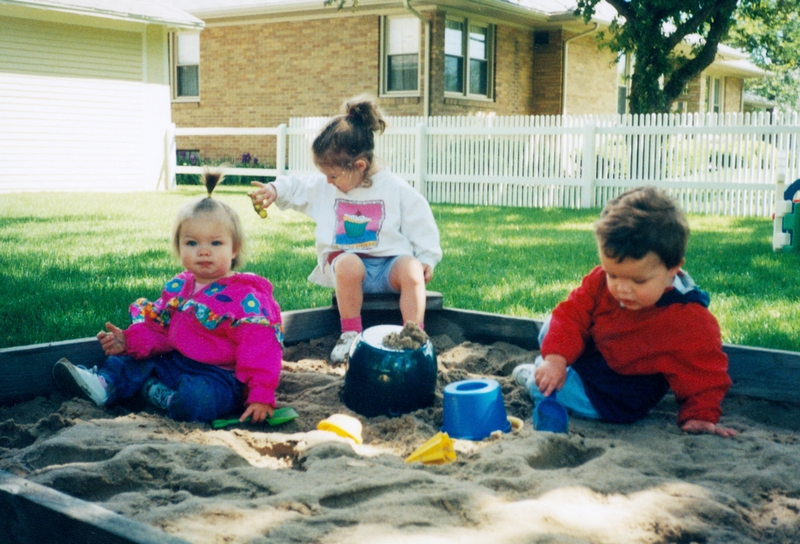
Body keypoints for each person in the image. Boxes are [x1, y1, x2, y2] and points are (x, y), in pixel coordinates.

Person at [53, 172, 283, 424]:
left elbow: (261, 349)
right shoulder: (180, 287)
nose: (204, 251)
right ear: (179, 246)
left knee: (198, 399)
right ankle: (103, 385)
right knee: (129, 361)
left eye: (216, 243)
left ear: (234, 247)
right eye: (192, 242)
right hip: (175, 362)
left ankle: (159, 395)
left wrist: (260, 393)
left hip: (218, 376)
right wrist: (128, 341)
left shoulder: (245, 298)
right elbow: (159, 329)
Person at [513, 186, 737, 438]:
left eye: (638, 281)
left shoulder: (687, 319)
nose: (621, 289)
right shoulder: (601, 281)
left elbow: (705, 374)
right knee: (554, 325)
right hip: (593, 353)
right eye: (613, 274)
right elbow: (572, 314)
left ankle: (535, 374)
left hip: (613, 394)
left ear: (673, 269)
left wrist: (701, 415)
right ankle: (551, 364)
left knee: (543, 387)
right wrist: (556, 358)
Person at [249, 94, 442, 363]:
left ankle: (414, 335)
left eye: (333, 175)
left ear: (359, 165)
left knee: (411, 270)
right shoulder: (325, 187)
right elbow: (297, 186)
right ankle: (350, 333)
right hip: (347, 265)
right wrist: (274, 189)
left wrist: (427, 258)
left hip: (389, 266)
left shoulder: (395, 188)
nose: (327, 181)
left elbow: (421, 220)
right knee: (350, 264)